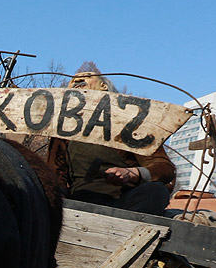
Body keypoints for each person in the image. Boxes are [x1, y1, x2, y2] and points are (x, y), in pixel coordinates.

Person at [58, 69, 176, 215]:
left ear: (104, 86)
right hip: (77, 202)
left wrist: (133, 173)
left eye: (87, 76)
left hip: (122, 203)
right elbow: (56, 173)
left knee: (156, 191)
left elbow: (165, 167)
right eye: (73, 79)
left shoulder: (131, 122)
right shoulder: (62, 128)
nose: (77, 80)